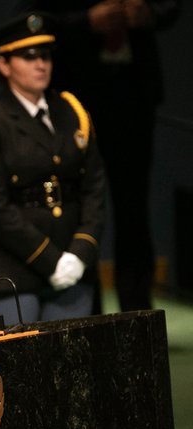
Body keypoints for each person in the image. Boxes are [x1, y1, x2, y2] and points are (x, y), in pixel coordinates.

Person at [15, 0, 180, 312]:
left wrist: (149, 14)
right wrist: (86, 20)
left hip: (134, 93)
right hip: (79, 95)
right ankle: (88, 314)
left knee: (134, 211)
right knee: (78, 206)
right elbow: (30, 14)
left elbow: (171, 6)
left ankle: (138, 315)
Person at [0, 12, 107, 325]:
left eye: (45, 56)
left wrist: (81, 252)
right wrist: (51, 261)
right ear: (3, 64)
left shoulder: (71, 111)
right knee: (15, 366)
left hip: (72, 260)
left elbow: (94, 187)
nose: (41, 64)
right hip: (13, 266)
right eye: (28, 57)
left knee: (72, 365)